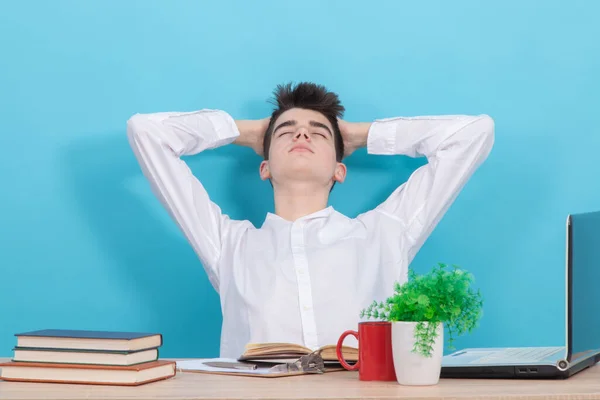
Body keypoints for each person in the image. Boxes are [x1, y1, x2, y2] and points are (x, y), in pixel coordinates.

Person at [126, 82, 494, 358]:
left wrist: (361, 135)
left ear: (340, 169)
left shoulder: (385, 232)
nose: (302, 133)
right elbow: (146, 132)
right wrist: (246, 131)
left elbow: (474, 134)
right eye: (287, 131)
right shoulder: (228, 244)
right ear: (264, 166)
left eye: (318, 133)